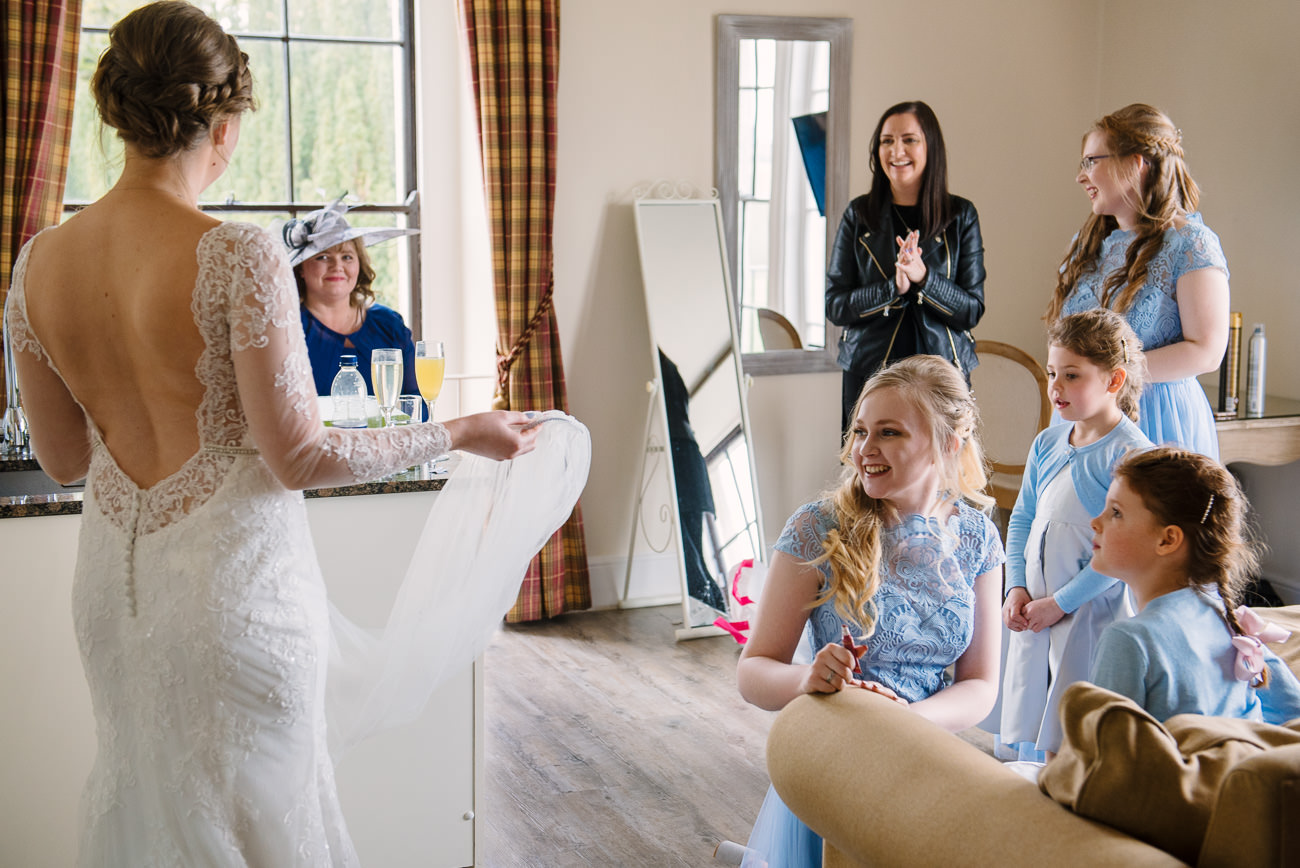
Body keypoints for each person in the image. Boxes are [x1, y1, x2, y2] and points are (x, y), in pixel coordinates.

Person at [4, 3, 588, 864]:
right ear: (225, 121)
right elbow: (302, 455)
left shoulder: (36, 263)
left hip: (115, 602)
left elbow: (61, 460)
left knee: (145, 806)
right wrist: (460, 428)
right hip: (232, 601)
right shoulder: (237, 254)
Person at [735, 355, 1004, 867]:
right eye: (860, 431)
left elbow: (981, 686)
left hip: (927, 755)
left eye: (889, 432)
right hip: (836, 757)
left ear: (948, 443)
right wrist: (807, 678)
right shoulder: (817, 527)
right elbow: (752, 672)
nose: (864, 450)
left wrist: (906, 724)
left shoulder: (978, 539)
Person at [998, 309, 1152, 762]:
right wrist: (1017, 586)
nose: (1055, 387)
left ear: (1113, 380)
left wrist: (1060, 603)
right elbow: (1023, 518)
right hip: (1035, 608)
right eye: (1051, 374)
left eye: (1071, 375)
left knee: (1075, 725)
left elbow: (1123, 553)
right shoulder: (1048, 443)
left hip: (1088, 613)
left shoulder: (1131, 455)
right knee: (1034, 713)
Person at [1047, 103, 1229, 459]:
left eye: (1091, 162)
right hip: (1081, 419)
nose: (1081, 176)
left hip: (1156, 419)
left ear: (1136, 162)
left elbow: (1207, 351)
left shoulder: (1191, 243)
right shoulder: (1087, 245)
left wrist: (1107, 377)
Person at [1088, 446, 1300, 724]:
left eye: (1115, 512)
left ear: (1167, 540)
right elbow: (1291, 710)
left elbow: (1105, 755)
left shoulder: (1129, 639)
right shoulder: (1226, 617)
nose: (1095, 522)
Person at [825, 100, 986, 438]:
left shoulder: (961, 216)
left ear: (930, 147)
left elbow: (971, 310)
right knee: (868, 477)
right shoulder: (859, 214)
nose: (896, 150)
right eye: (887, 141)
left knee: (943, 478)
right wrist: (892, 289)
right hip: (869, 374)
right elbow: (835, 305)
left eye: (909, 139)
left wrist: (925, 279)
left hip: (940, 376)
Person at [283, 197, 422, 400]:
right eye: (322, 257)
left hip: (388, 433)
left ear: (359, 264)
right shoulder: (288, 329)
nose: (336, 266)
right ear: (301, 269)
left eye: (347, 256)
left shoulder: (389, 324)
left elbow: (417, 402)